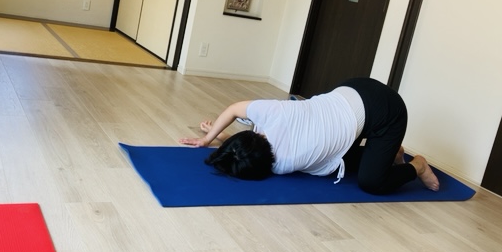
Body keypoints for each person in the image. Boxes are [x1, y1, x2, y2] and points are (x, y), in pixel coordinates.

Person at [179, 77, 440, 195]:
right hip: (355, 87)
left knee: (371, 182)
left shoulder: (285, 162)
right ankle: (390, 152)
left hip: (387, 111)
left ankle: (417, 165)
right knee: (340, 153)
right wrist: (214, 138)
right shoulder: (270, 114)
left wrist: (212, 138)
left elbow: (235, 112)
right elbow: (236, 110)